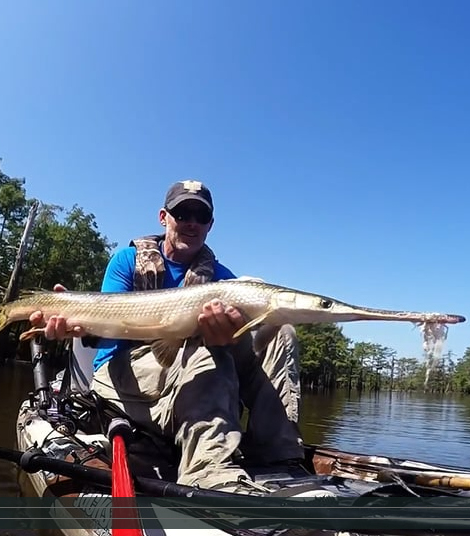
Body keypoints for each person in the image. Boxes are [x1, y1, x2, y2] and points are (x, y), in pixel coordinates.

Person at [28, 179, 304, 492]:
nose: (191, 223)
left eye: (201, 216)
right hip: (121, 374)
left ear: (210, 225)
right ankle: (208, 474)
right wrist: (81, 326)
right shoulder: (127, 261)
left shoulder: (222, 279)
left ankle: (278, 455)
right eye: (182, 213)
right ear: (164, 217)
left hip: (188, 369)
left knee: (280, 331)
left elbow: (237, 345)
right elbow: (106, 323)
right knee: (204, 351)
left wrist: (227, 340)